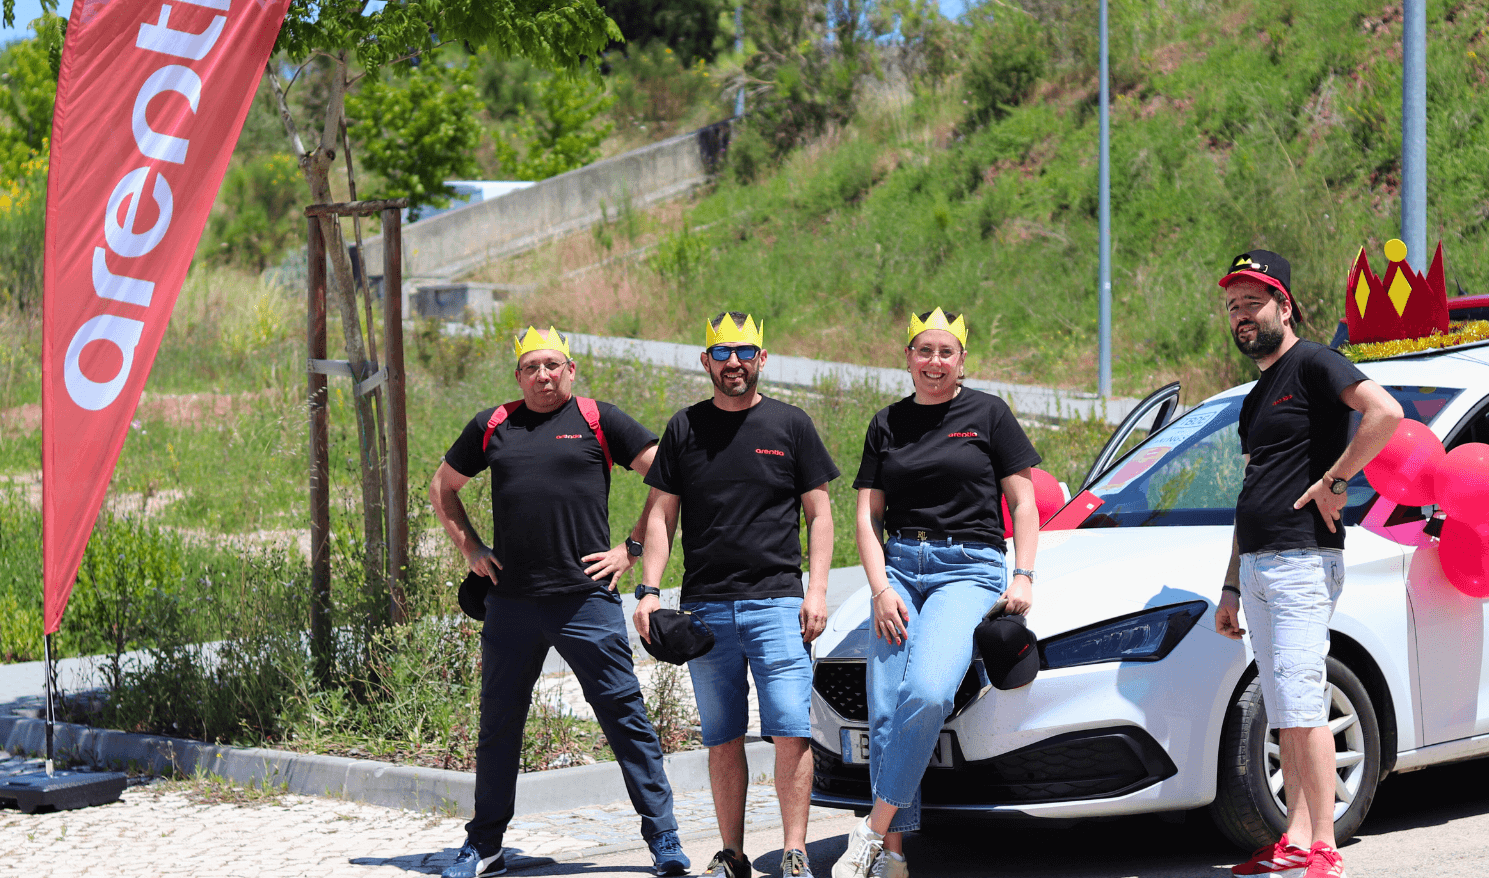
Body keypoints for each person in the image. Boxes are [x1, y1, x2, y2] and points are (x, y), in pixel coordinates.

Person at [429, 326, 690, 878]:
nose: (543, 376)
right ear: (518, 375)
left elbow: (668, 476)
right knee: (499, 725)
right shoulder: (493, 425)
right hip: (512, 604)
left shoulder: (601, 419)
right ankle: (485, 846)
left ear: (570, 368)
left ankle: (664, 837)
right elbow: (442, 486)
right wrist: (471, 548)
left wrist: (632, 547)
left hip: (586, 603)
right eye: (531, 367)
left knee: (626, 717)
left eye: (552, 365)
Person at [1212, 251, 1402, 878]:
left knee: (1302, 702)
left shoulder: (1315, 362)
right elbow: (1250, 490)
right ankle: (1295, 836)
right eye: (1234, 306)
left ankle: (1325, 845)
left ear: (1284, 305)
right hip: (1262, 567)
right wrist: (1232, 584)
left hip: (1301, 559)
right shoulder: (1256, 395)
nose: (1242, 316)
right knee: (1284, 706)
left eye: (1254, 302)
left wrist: (1336, 480)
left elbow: (1386, 413)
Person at [832, 309, 1041, 878]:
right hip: (898, 567)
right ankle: (892, 860)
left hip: (967, 570)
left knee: (925, 693)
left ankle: (872, 829)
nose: (934, 362)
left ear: (962, 360)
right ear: (908, 357)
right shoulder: (887, 422)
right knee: (883, 707)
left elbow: (1024, 502)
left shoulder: (989, 414)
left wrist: (1023, 574)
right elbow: (866, 515)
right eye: (924, 351)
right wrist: (878, 588)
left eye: (946, 352)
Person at [631, 312, 839, 878]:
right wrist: (649, 592)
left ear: (762, 359)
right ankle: (733, 854)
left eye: (745, 352)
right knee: (722, 737)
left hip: (777, 603)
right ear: (705, 362)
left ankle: (795, 850)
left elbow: (819, 514)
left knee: (791, 731)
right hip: (704, 608)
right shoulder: (684, 428)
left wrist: (815, 590)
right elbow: (661, 517)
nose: (733, 363)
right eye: (721, 354)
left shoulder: (790, 425)